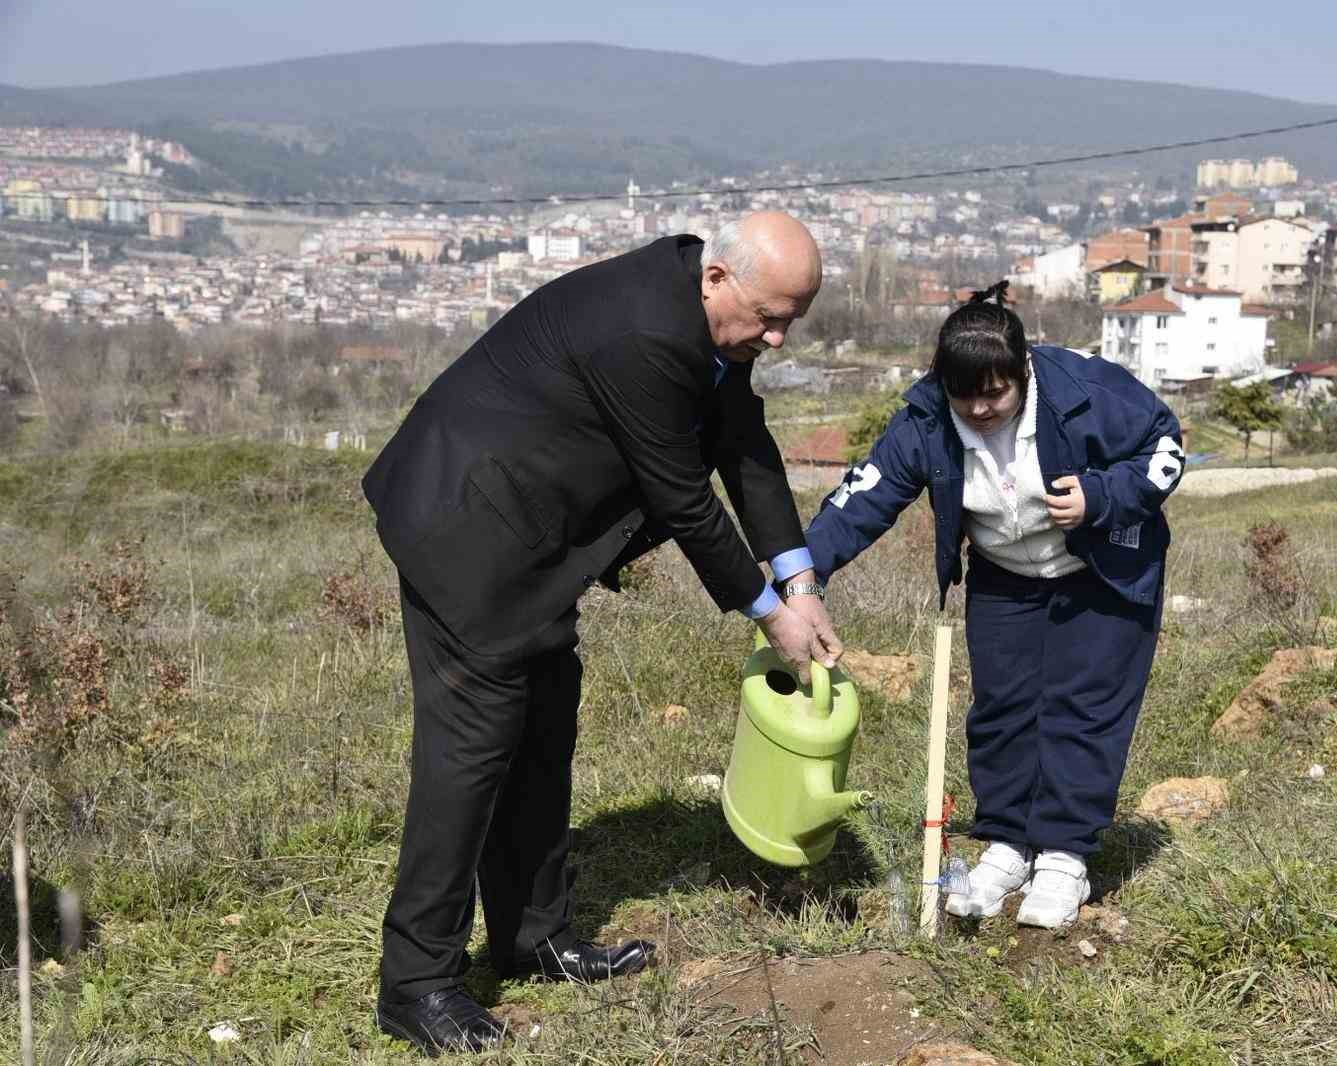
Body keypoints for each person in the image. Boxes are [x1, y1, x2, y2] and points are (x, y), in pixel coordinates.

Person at [362, 211, 843, 1053]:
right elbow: (683, 496)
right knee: (470, 755)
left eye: (790, 323)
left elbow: (743, 444)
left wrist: (800, 582)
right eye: (768, 318)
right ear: (717, 279)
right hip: (467, 527)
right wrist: (770, 614)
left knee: (544, 729)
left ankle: (532, 935)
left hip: (537, 542)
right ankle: (417, 984)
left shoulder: (706, 319)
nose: (775, 339)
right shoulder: (645, 332)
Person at [804, 283, 1182, 930]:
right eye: (964, 395)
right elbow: (866, 496)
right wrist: (803, 573)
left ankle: (1063, 855)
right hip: (1005, 574)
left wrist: (1100, 497)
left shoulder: (1083, 390)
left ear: (1022, 371)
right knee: (1003, 711)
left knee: (1082, 709)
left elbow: (1164, 445)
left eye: (995, 394)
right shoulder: (925, 418)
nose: (979, 408)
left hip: (1101, 571)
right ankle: (1007, 844)